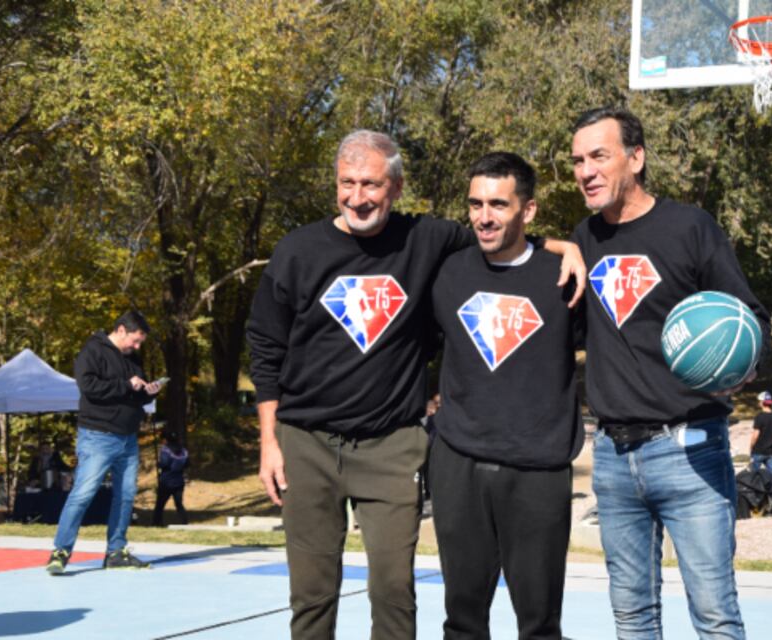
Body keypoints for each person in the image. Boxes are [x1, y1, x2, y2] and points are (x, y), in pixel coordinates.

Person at [246, 130, 585, 640]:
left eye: (371, 184)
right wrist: (268, 443)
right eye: (347, 183)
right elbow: (265, 348)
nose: (357, 197)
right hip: (305, 443)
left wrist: (565, 245)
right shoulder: (298, 250)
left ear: (397, 187)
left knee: (394, 594)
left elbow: (501, 234)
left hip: (391, 445)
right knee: (311, 597)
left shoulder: (426, 240)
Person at [569, 107, 771, 639]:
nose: (585, 170)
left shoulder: (690, 227)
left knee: (714, 614)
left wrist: (740, 367)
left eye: (598, 156)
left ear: (636, 158)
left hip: (690, 449)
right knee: (632, 617)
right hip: (612, 456)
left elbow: (751, 318)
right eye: (577, 161)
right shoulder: (583, 239)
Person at [428, 152, 584, 639]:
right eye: (475, 204)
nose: (484, 216)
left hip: (537, 470)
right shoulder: (448, 272)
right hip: (458, 463)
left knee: (539, 624)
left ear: (528, 210)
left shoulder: (565, 278)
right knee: (462, 620)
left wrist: (568, 247)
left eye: (498, 203)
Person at [45, 310, 162, 575]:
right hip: (98, 436)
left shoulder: (133, 358)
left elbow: (134, 393)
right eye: (135, 340)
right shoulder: (92, 350)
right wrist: (125, 385)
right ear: (121, 330)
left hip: (128, 438)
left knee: (125, 495)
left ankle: (116, 552)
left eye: (140, 342)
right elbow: (88, 387)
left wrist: (147, 392)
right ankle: (60, 552)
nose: (137, 346)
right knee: (83, 494)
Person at [152, 431, 190, 527]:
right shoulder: (184, 451)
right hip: (179, 481)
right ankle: (184, 522)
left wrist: (158, 464)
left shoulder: (165, 450)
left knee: (160, 505)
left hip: (166, 481)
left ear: (166, 439)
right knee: (179, 504)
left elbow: (164, 463)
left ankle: (157, 523)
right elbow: (187, 464)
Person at [750, 391, 772, 474]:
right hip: (770, 451)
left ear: (761, 403)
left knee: (754, 474)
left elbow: (755, 435)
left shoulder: (759, 417)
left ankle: (754, 486)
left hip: (758, 451)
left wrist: (751, 447)